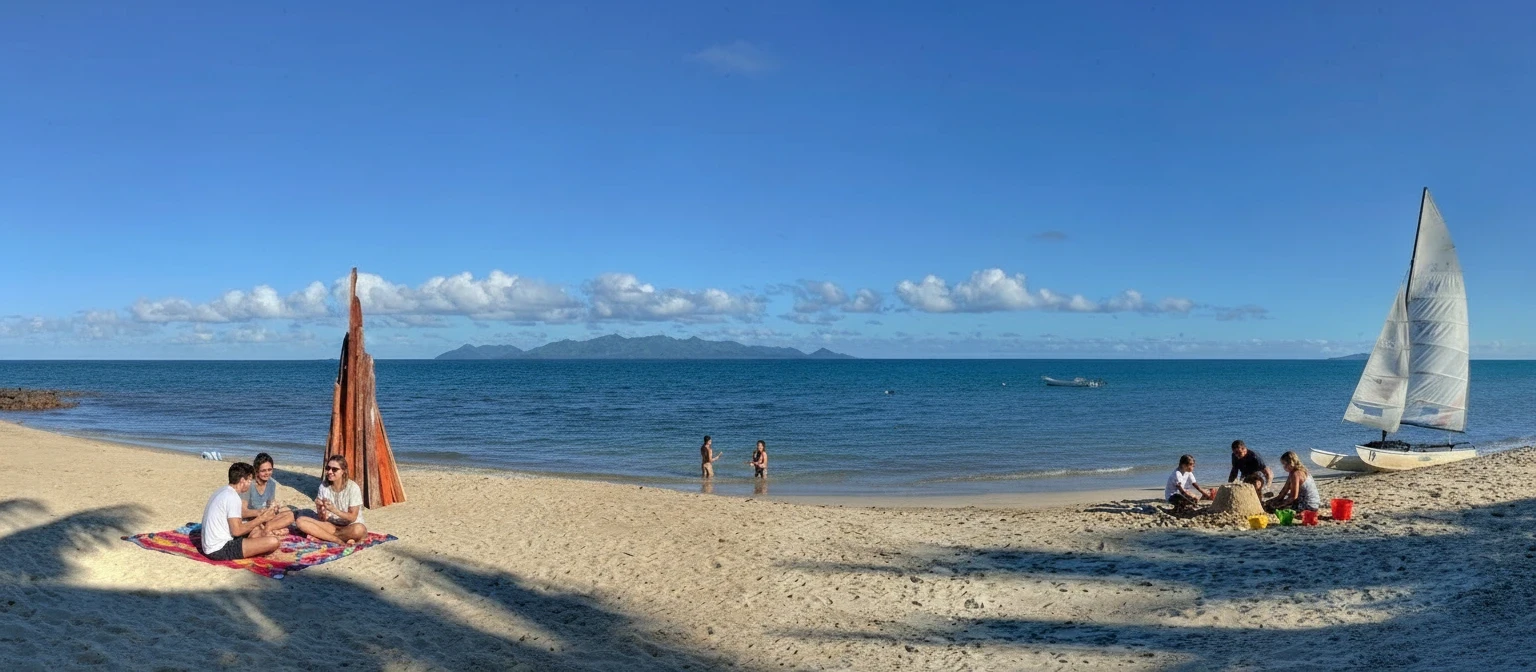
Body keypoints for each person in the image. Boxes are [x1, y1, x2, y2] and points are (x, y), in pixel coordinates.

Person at [199, 462, 283, 561]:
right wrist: (262, 519)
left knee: (255, 529)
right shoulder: (233, 497)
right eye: (249, 480)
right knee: (273, 542)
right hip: (218, 549)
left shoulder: (223, 490)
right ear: (243, 480)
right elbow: (237, 531)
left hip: (211, 544)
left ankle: (253, 543)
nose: (250, 483)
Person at [295, 455, 369, 544]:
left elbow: (352, 517)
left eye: (334, 469)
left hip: (350, 525)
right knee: (300, 521)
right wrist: (320, 508)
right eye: (328, 468)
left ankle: (324, 536)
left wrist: (334, 510)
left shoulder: (353, 488)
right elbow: (323, 519)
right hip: (331, 525)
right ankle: (337, 540)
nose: (330, 472)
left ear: (343, 471)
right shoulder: (324, 486)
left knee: (359, 530)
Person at [242, 452, 295, 536]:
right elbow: (243, 512)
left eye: (269, 470)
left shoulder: (271, 484)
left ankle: (268, 529)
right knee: (257, 534)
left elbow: (270, 504)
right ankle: (268, 530)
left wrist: (275, 508)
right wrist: (261, 513)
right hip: (252, 520)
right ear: (256, 471)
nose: (267, 473)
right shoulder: (249, 485)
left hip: (265, 518)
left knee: (290, 514)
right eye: (263, 471)